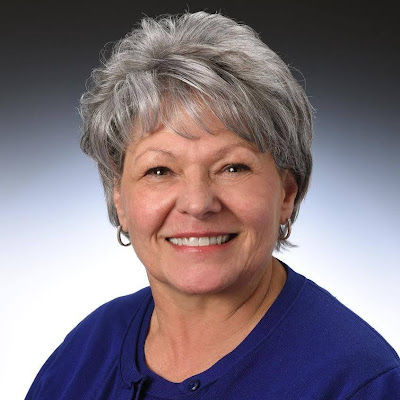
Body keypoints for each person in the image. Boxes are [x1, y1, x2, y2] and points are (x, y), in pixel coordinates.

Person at [25, 11, 400, 400]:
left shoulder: (359, 383)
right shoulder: (85, 353)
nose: (198, 203)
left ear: (287, 194)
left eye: (232, 168)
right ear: (120, 200)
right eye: (159, 170)